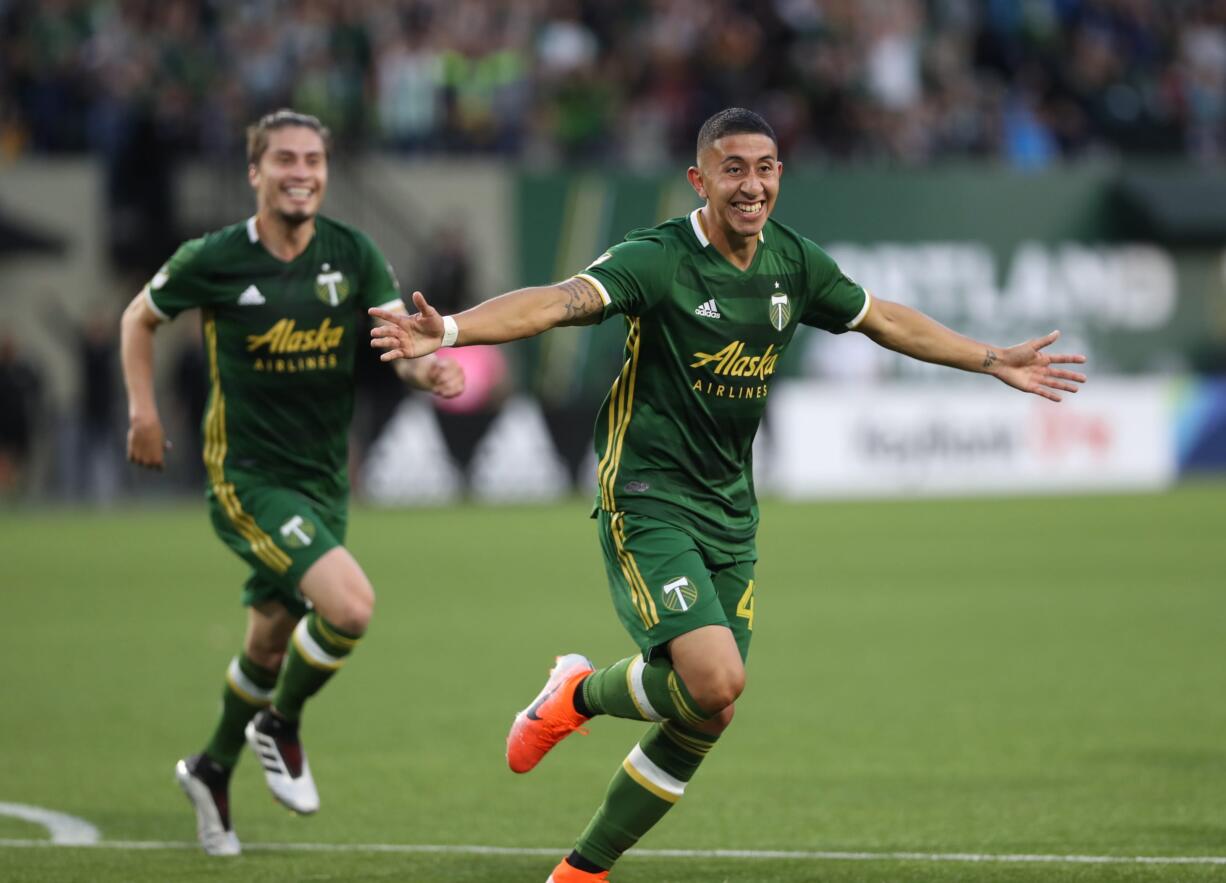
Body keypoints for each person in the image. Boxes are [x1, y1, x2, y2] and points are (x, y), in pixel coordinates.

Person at [370, 107, 1087, 882]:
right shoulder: (659, 258)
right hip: (647, 494)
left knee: (709, 708)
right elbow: (557, 301)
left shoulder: (793, 263)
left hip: (730, 508)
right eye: (735, 168)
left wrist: (989, 358)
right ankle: (577, 694)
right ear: (700, 178)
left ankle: (580, 869)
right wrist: (449, 334)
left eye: (767, 167)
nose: (753, 185)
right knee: (714, 679)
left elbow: (883, 319)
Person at [120, 109, 463, 857]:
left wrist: (422, 367)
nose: (301, 170)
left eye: (313, 158)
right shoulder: (214, 257)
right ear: (255, 172)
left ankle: (209, 768)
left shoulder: (355, 252)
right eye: (284, 158)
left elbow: (394, 344)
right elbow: (137, 319)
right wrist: (144, 411)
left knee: (271, 644)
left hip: (323, 479)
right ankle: (279, 724)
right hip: (247, 477)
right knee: (350, 605)